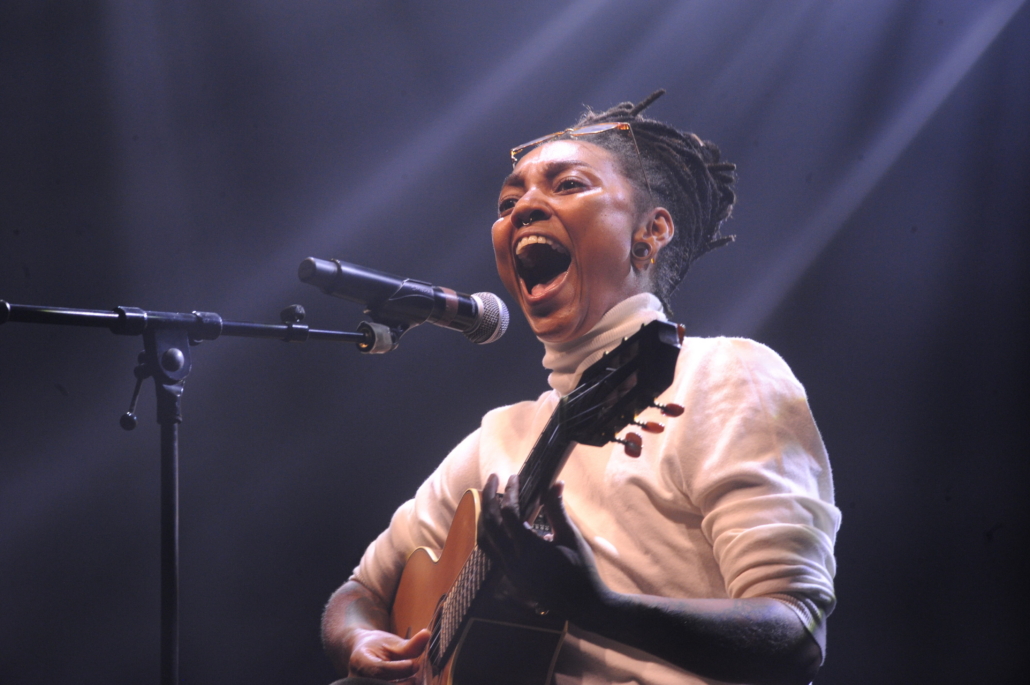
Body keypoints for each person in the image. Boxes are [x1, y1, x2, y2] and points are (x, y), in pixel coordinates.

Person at [321, 90, 840, 685]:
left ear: (650, 233)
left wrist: (597, 607)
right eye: (508, 201)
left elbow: (795, 636)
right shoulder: (500, 438)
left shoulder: (723, 374)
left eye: (567, 185)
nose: (522, 208)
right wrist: (360, 638)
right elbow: (359, 592)